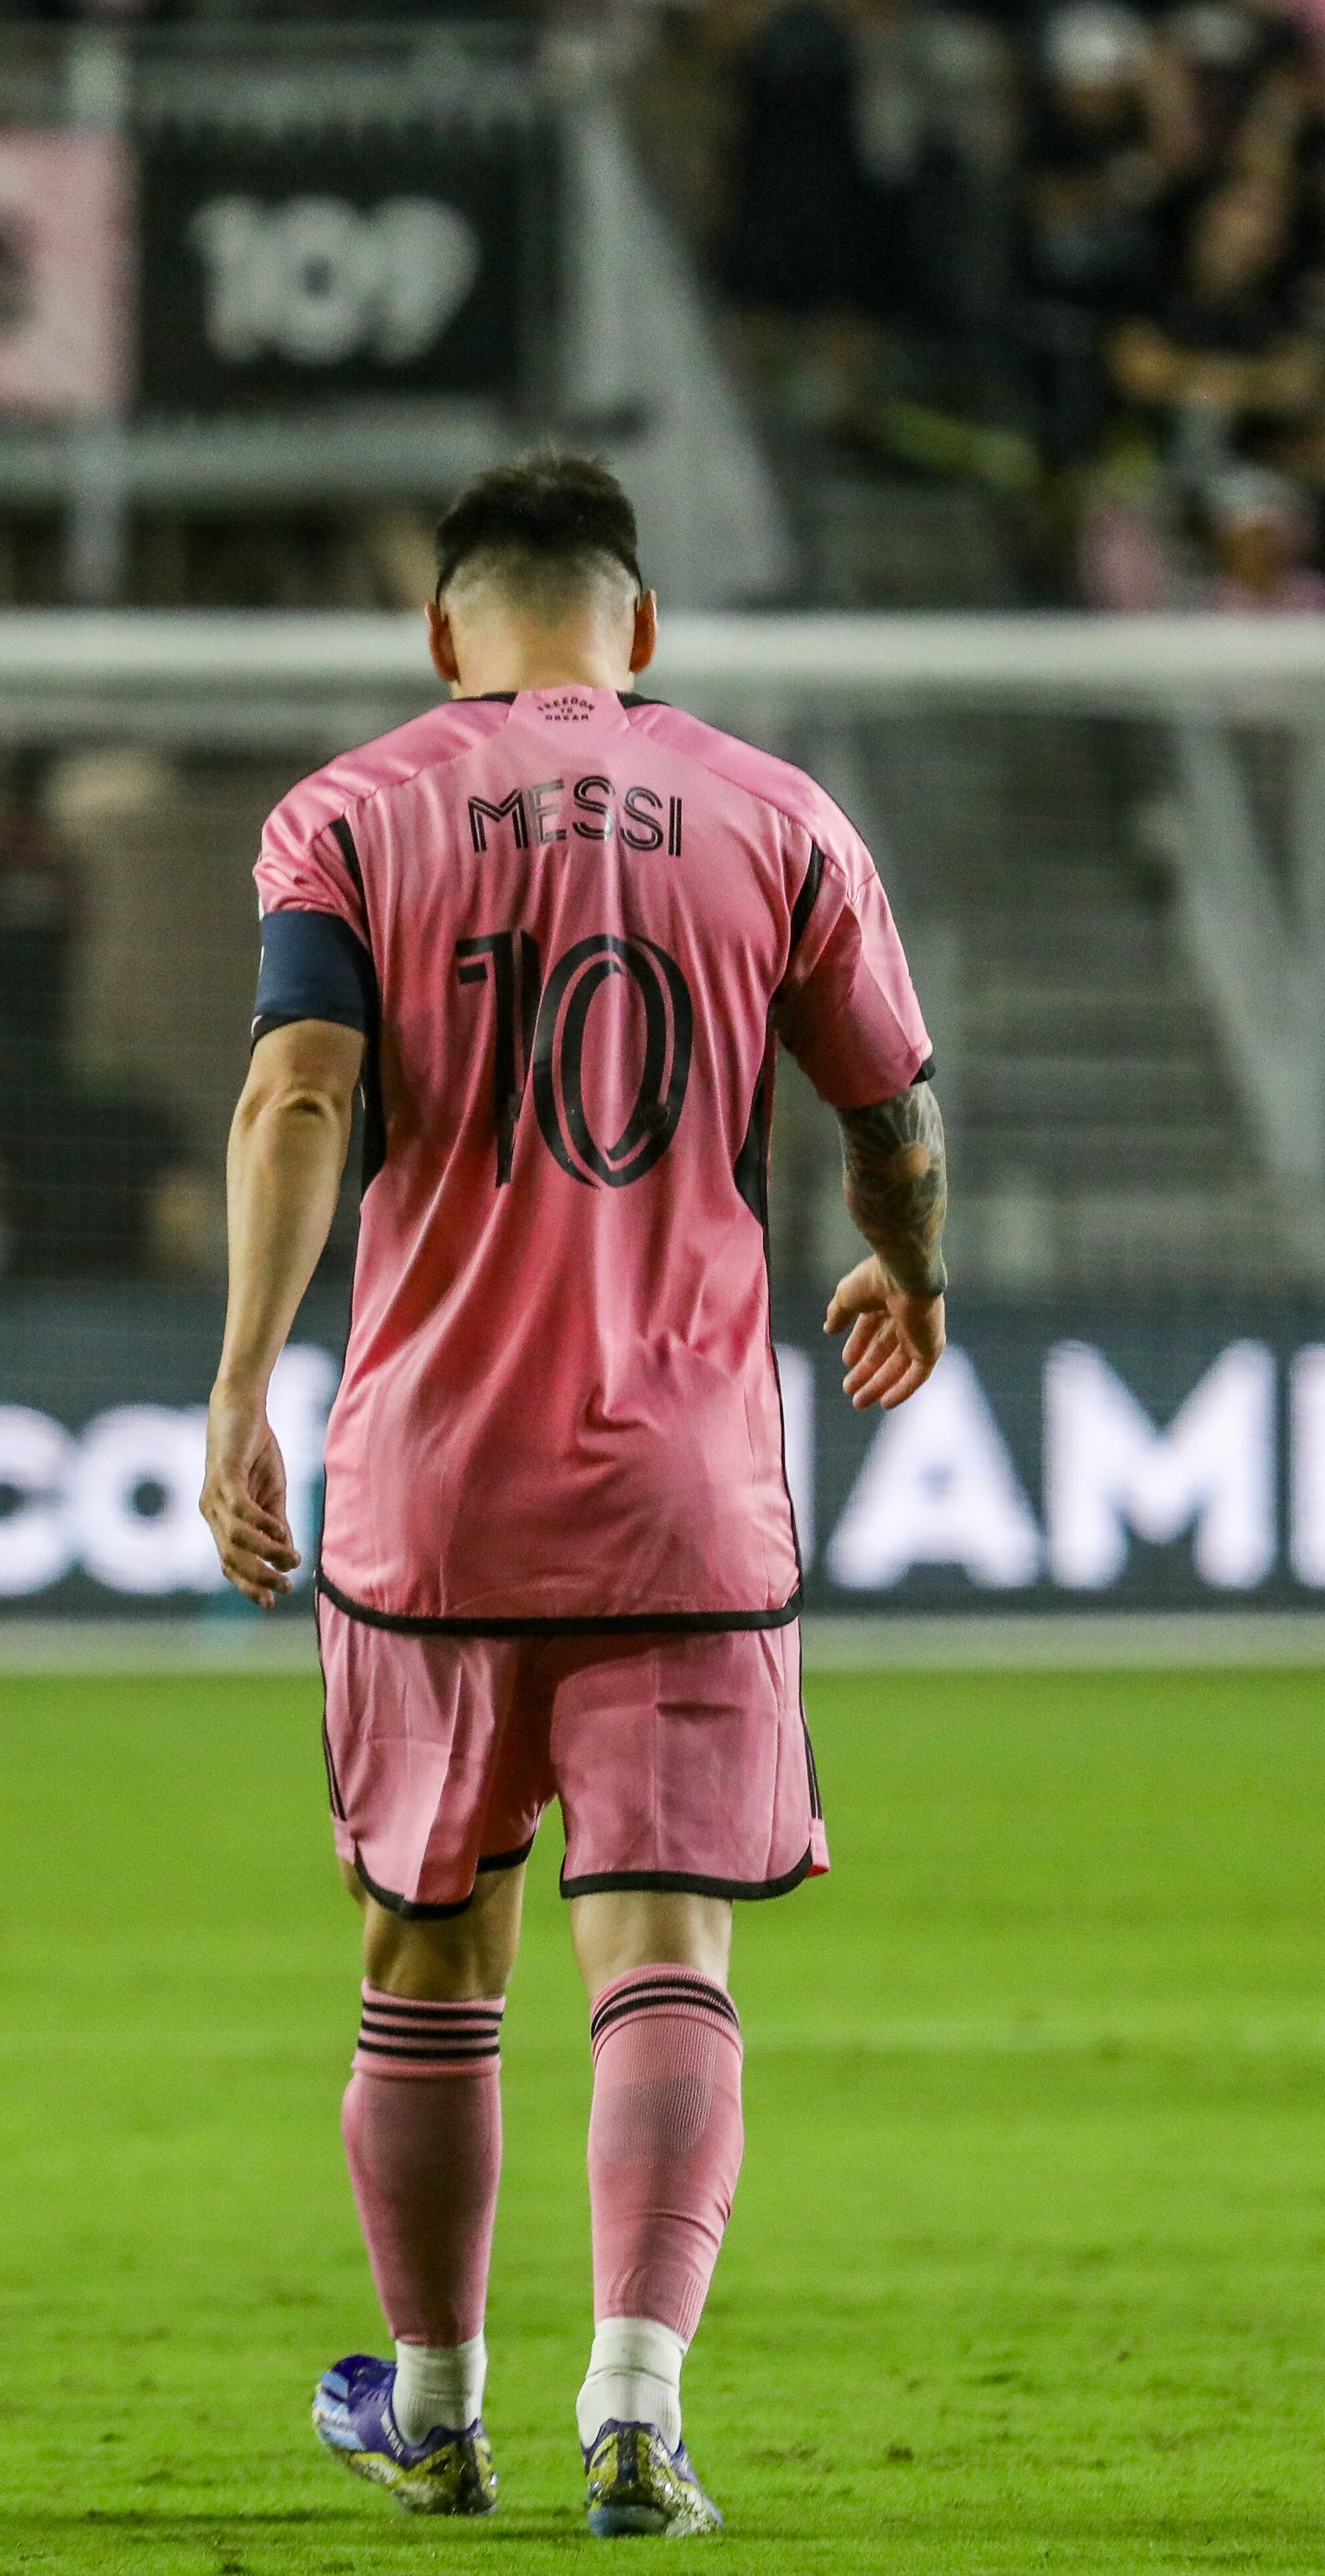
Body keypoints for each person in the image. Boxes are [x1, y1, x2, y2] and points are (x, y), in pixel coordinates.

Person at [198, 454, 946, 2536]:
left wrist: (242, 1382)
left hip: (430, 1486)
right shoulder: (778, 813)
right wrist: (911, 1263)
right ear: (642, 626)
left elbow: (296, 1085)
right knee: (665, 1942)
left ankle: (437, 2408)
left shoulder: (347, 813)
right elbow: (891, 1110)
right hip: (682, 1485)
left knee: (428, 1949)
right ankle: (637, 2405)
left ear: (444, 629)